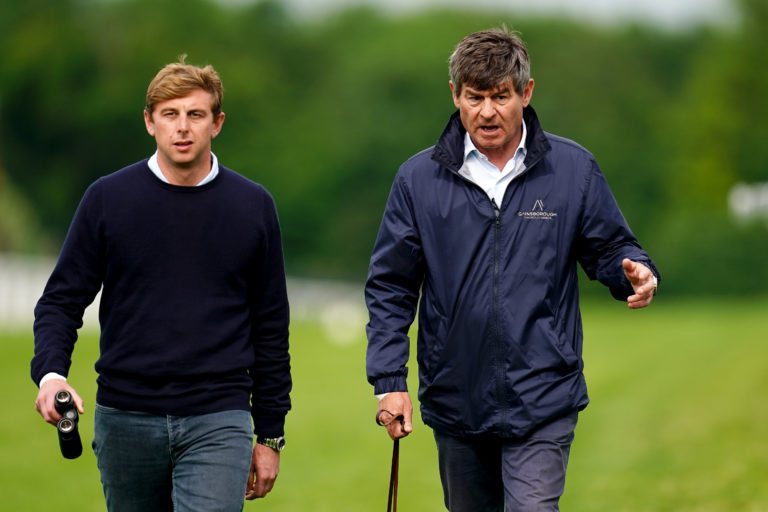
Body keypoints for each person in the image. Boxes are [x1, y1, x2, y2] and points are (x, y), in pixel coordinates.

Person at [365, 28, 659, 511]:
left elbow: (611, 247)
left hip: (544, 394)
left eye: (500, 96)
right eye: (475, 97)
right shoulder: (417, 180)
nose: (487, 111)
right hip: (455, 398)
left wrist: (634, 272)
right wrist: (389, 381)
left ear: (526, 92)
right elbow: (390, 287)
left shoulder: (573, 169)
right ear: (455, 95)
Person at [31, 57, 291, 511]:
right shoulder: (107, 199)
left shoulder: (253, 206)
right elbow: (61, 301)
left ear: (217, 123)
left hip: (219, 416)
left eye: (196, 114)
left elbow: (270, 327)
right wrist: (52, 375)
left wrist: (270, 434)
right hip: (125, 417)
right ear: (150, 122)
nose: (182, 127)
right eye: (170, 114)